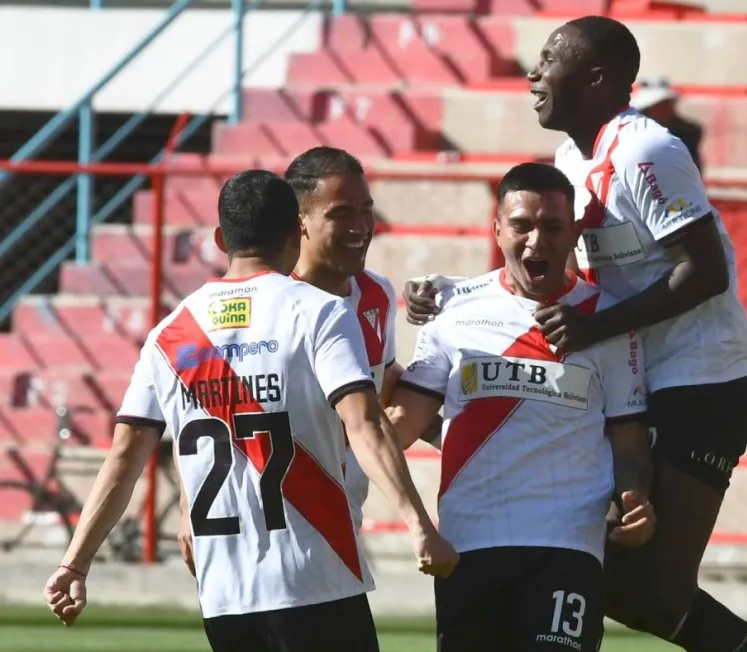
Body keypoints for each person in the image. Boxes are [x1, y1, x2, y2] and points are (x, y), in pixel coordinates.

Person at [402, 16, 747, 652]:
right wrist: (458, 292)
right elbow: (557, 274)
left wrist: (593, 328)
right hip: (634, 378)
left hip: (702, 381)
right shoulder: (568, 159)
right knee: (614, 577)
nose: (533, 73)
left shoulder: (647, 151)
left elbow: (707, 271)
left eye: (550, 59)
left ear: (597, 78)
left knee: (642, 588)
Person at [44, 170, 459, 652]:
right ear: (293, 235)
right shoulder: (319, 312)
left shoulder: (171, 333)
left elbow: (122, 459)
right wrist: (419, 526)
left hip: (224, 595)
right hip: (315, 574)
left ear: (221, 238)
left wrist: (74, 562)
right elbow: (364, 423)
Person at [387, 162, 657, 652]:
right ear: (497, 229)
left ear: (575, 232)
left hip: (567, 542)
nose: (536, 241)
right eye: (521, 226)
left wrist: (634, 496)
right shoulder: (451, 310)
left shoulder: (609, 319)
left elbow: (629, 436)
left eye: (552, 227)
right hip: (468, 542)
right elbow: (406, 419)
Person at [175, 147, 441, 573]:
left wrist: (451, 429)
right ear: (299, 224)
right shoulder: (269, 307)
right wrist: (190, 501)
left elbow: (381, 379)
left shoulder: (376, 295)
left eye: (366, 210)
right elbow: (204, 406)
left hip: (338, 524)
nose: (360, 227)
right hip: (270, 531)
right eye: (341, 214)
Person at [630, 76, 705, 175]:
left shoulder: (687, 134)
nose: (665, 109)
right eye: (658, 106)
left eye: (666, 104)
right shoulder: (631, 132)